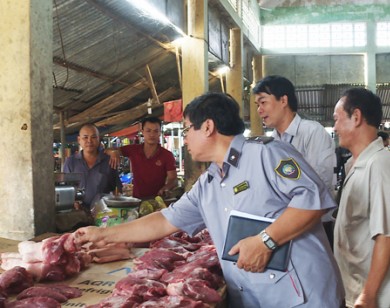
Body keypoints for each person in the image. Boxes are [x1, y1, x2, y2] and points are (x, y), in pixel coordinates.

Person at [76, 92, 345, 307]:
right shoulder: (209, 183)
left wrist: (266, 240)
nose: (185, 140)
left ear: (207, 127)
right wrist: (103, 235)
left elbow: (314, 201)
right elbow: (164, 220)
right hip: (253, 296)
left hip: (300, 296)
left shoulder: (266, 155)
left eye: (186, 130)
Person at [253, 75, 337, 246]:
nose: (259, 110)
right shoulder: (272, 142)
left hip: (316, 226)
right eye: (257, 105)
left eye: (263, 102)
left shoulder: (312, 132)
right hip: (285, 228)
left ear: (283, 100)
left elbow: (321, 183)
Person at [333, 87, 390, 308]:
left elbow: (385, 236)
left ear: (356, 117)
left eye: (337, 120)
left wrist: (369, 294)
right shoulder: (355, 165)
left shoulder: (380, 165)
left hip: (378, 298)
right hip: (356, 289)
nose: (335, 127)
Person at [109, 117, 177, 199]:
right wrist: (113, 152)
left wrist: (166, 187)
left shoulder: (167, 155)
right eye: (148, 131)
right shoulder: (133, 150)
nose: (152, 134)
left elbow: (173, 178)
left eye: (155, 131)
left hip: (158, 201)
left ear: (160, 133)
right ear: (142, 132)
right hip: (136, 200)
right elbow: (107, 150)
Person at [63, 123, 122, 210]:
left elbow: (117, 190)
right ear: (79, 140)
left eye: (94, 137)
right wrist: (73, 202)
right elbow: (65, 190)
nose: (89, 141)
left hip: (103, 215)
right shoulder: (71, 162)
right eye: (85, 137)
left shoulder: (108, 161)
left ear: (99, 139)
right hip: (77, 215)